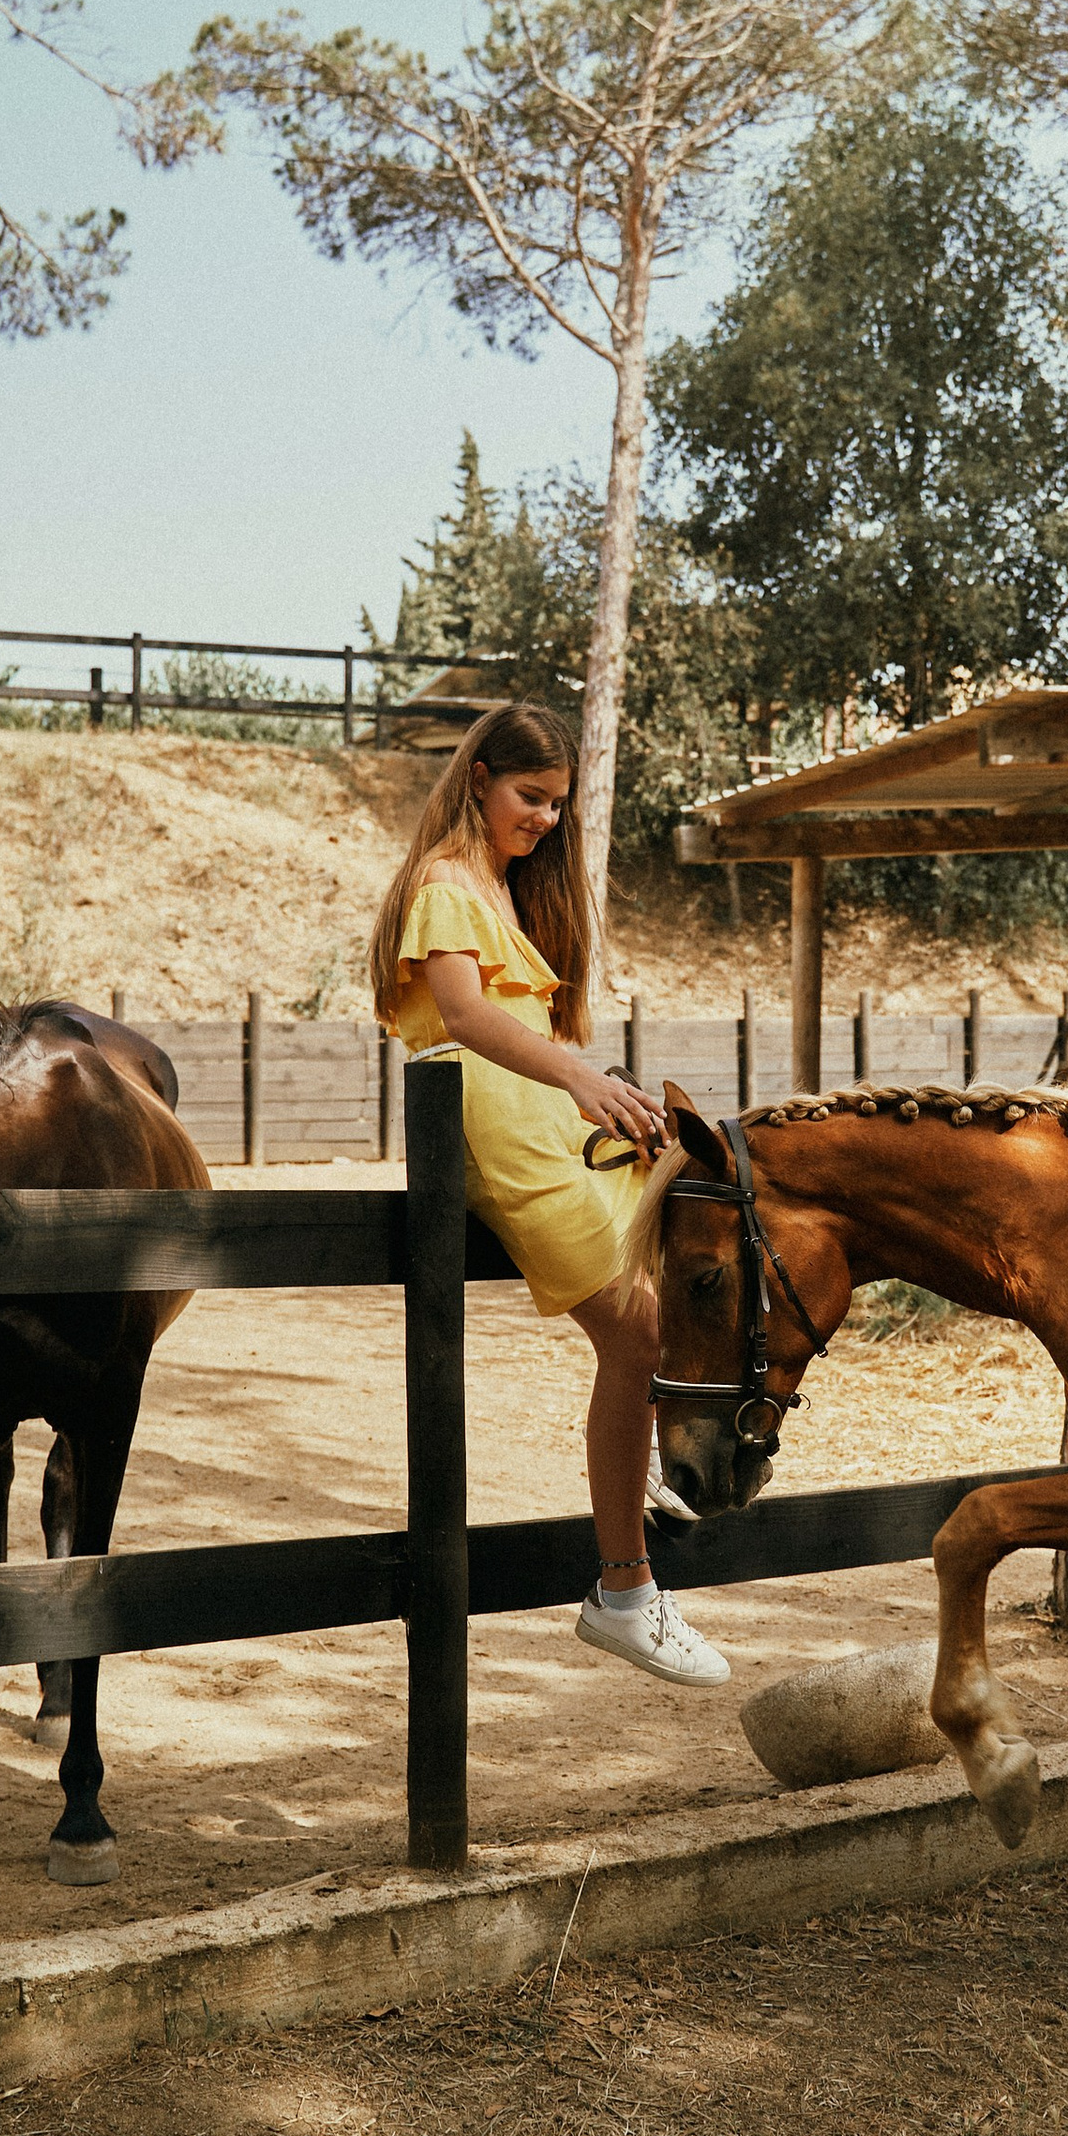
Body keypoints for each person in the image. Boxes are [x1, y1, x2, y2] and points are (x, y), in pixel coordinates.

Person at [371, 699, 729, 1687]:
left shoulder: (503, 886)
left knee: (697, 1273)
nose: (546, 819)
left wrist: (599, 1092)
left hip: (551, 1124)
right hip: (497, 1130)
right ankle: (623, 1595)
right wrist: (576, 1077)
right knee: (639, 1333)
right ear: (479, 776)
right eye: (532, 796)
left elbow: (526, 1024)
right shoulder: (446, 882)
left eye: (559, 805)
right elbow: (461, 1013)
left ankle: (659, 1455)